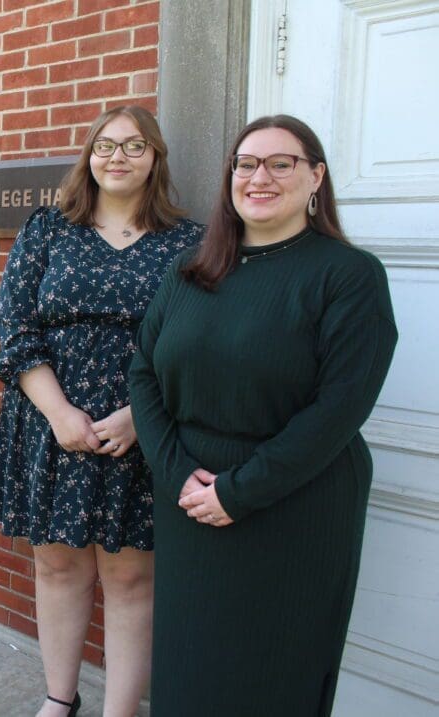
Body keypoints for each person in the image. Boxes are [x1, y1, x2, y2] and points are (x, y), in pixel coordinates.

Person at [129, 115, 397, 716]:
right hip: (191, 497)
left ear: (316, 177)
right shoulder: (192, 271)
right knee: (188, 672)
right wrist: (175, 474)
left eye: (282, 163)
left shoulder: (348, 277)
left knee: (273, 678)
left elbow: (339, 409)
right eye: (246, 164)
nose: (260, 177)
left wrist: (241, 492)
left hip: (293, 504)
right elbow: (143, 371)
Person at [0, 106, 203, 717]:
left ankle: (122, 709)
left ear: (155, 158)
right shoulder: (50, 228)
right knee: (58, 565)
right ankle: (60, 699)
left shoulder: (188, 242)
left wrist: (140, 416)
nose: (118, 157)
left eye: (135, 147)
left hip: (143, 426)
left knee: (131, 576)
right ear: (89, 157)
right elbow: (15, 324)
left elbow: (198, 340)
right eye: (105, 146)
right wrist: (58, 413)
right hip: (51, 421)